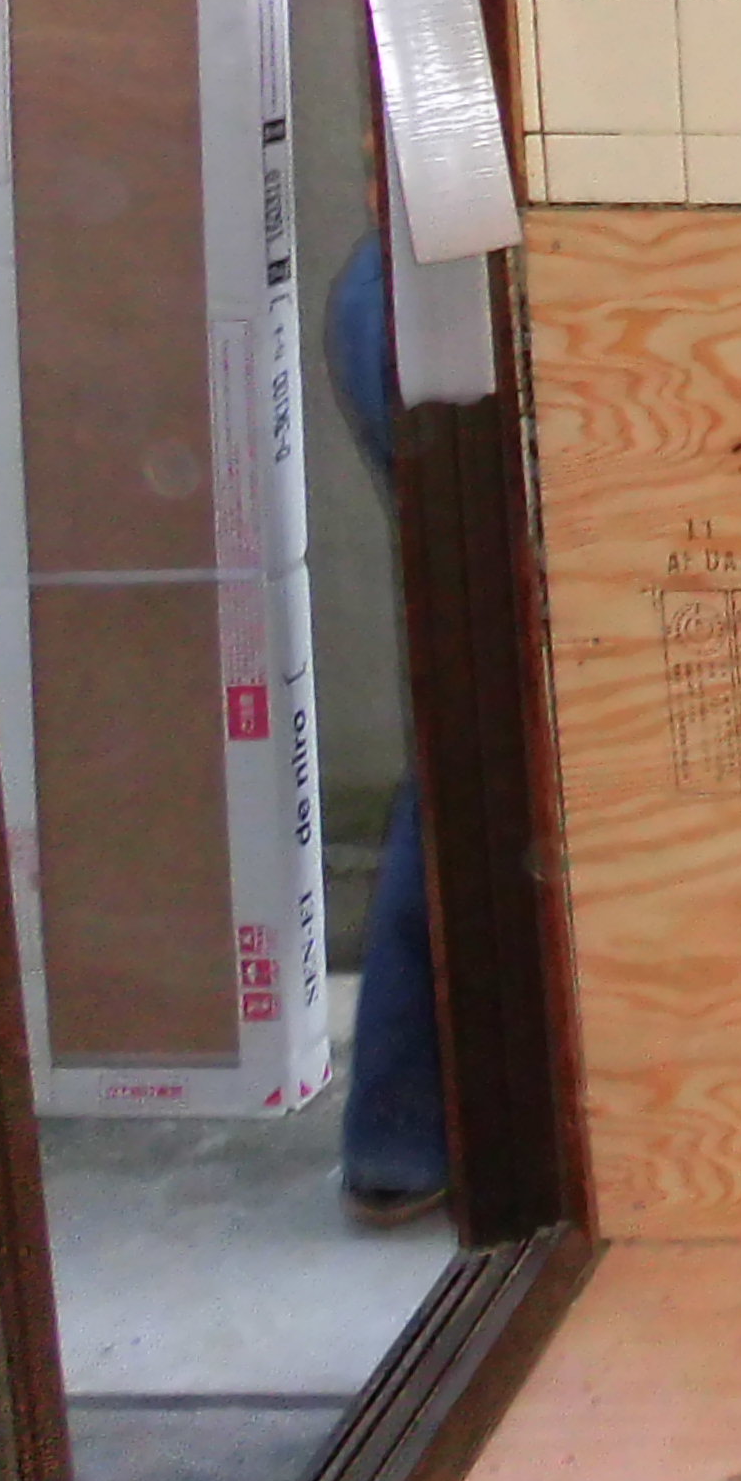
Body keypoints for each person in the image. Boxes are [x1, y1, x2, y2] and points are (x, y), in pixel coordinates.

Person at [323, 231, 447, 1227]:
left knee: (477, 722)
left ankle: (406, 1137)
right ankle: (407, 1135)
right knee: (485, 732)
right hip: (442, 281)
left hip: (417, 278)